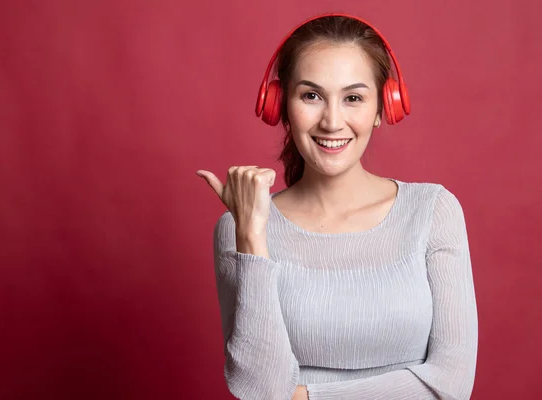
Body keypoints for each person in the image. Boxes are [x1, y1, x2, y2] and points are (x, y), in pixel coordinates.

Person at [196, 13, 478, 400]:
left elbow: (452, 383)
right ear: (280, 106)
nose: (331, 121)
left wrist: (303, 396)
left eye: (353, 98)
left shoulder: (433, 212)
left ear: (384, 108)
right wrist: (252, 235)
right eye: (311, 96)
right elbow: (259, 390)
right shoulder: (240, 227)